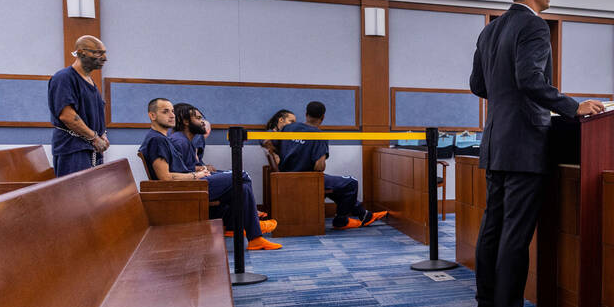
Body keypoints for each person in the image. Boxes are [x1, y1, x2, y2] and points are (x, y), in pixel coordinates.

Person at [469, 0, 605, 307]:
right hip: (525, 142)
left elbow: (479, 84)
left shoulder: (491, 30)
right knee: (515, 233)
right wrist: (572, 106)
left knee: (492, 229)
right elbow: (530, 80)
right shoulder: (533, 26)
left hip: (495, 140)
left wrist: (506, 97)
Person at [139, 98, 281, 250]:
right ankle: (248, 227)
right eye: (165, 111)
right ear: (152, 116)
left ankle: (254, 237)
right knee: (242, 175)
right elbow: (165, 178)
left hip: (189, 183)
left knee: (242, 187)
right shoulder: (157, 140)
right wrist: (195, 176)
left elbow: (178, 169)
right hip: (185, 188)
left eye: (172, 111)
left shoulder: (163, 138)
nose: (172, 115)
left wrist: (198, 171)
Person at [279, 101, 386, 229]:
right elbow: (319, 167)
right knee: (351, 182)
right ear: (323, 117)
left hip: (283, 177)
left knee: (337, 185)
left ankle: (364, 215)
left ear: (306, 114)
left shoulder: (289, 128)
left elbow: (268, 142)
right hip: (306, 179)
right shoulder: (319, 135)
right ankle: (341, 221)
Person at [48, 35, 109, 176]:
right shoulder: (64, 78)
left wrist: (102, 135)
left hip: (92, 148)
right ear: (81, 52)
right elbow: (67, 115)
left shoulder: (91, 82)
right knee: (75, 196)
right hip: (73, 149)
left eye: (104, 53)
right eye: (98, 52)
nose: (104, 58)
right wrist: (94, 138)